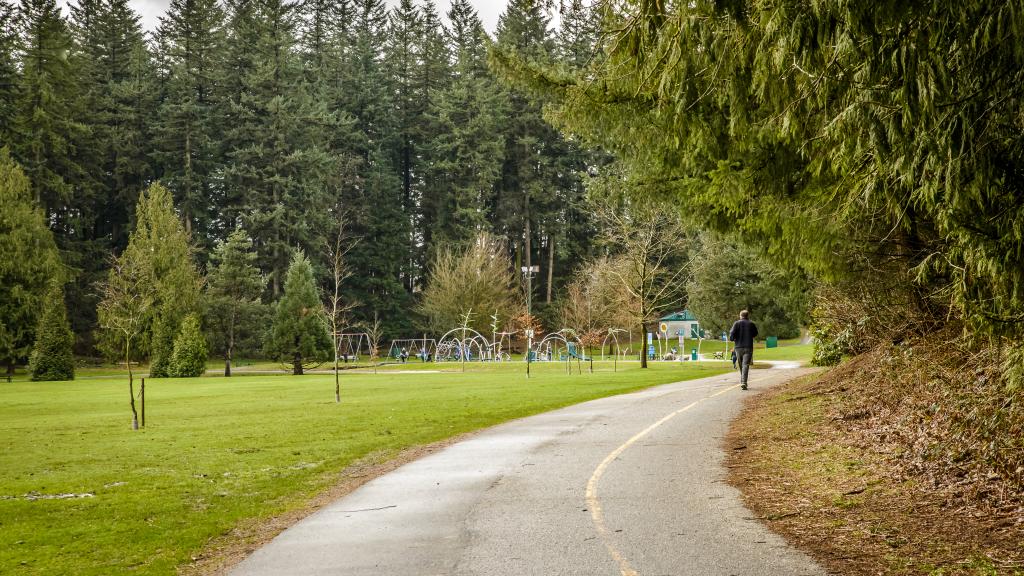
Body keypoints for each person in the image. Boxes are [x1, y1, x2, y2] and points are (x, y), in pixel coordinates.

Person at [729, 310, 758, 390]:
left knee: (741, 365)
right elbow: (755, 333)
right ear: (747, 316)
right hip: (748, 347)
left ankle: (743, 382)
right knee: (745, 365)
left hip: (738, 347)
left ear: (740, 316)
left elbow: (731, 335)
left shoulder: (736, 323)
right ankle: (743, 382)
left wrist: (733, 338)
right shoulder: (751, 324)